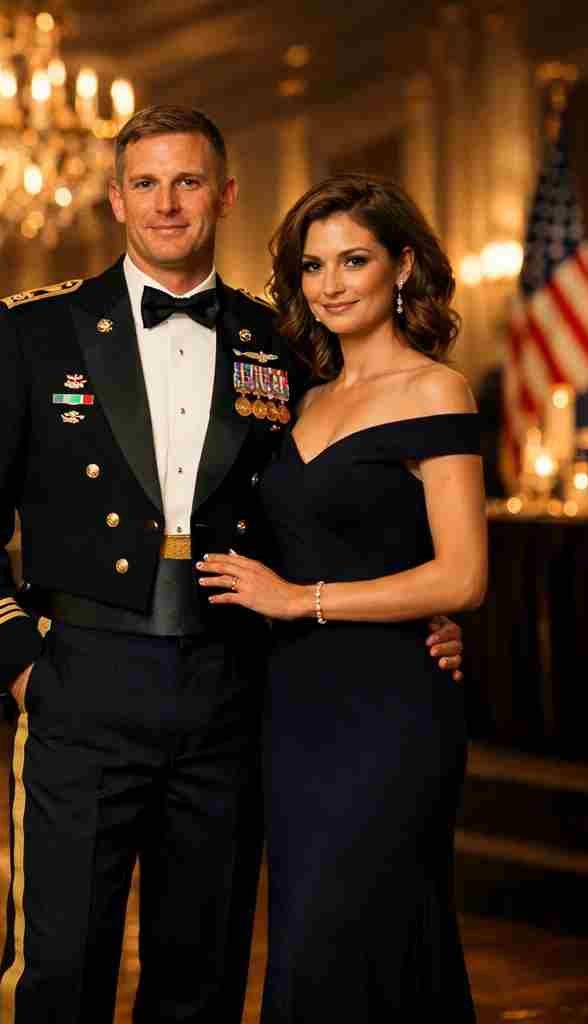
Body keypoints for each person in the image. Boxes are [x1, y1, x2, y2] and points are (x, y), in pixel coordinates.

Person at [0, 105, 466, 1022]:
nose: (167, 204)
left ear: (223, 194)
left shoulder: (283, 342)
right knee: (57, 972)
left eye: (186, 183)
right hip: (80, 679)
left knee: (202, 978)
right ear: (115, 200)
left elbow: (332, 497)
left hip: (229, 689)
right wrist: (17, 670)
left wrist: (426, 607)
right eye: (146, 184)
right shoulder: (35, 330)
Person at [195, 174, 483, 1021]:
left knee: (363, 927)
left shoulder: (438, 389)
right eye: (313, 266)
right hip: (292, 709)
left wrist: (299, 602)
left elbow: (463, 577)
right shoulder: (298, 395)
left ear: (402, 266)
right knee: (306, 937)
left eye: (354, 260)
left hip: (392, 708)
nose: (331, 284)